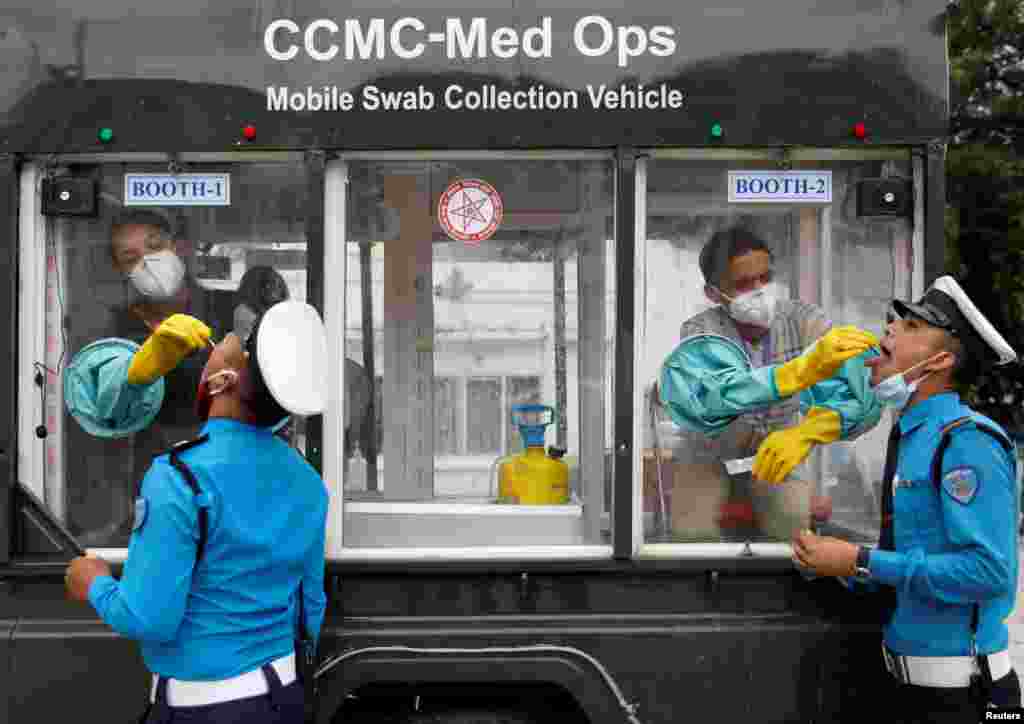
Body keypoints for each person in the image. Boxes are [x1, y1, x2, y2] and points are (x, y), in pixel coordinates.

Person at [64, 300, 330, 723]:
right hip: (285, 700)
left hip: (205, 710)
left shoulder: (179, 477)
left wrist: (93, 582)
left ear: (225, 381)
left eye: (233, 345)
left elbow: (148, 619)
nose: (215, 347)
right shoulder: (308, 482)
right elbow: (310, 608)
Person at [792, 275, 1020, 723]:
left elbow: (989, 572)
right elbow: (913, 556)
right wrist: (834, 561)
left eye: (912, 327)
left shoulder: (967, 442)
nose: (891, 329)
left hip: (962, 696)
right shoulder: (911, 434)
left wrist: (859, 560)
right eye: (895, 321)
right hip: (901, 687)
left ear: (940, 360)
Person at [658, 226, 881, 539]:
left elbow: (864, 394)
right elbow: (717, 396)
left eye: (765, 278)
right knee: (691, 536)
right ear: (713, 293)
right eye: (743, 284)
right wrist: (797, 372)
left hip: (779, 449)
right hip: (707, 453)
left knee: (793, 527)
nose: (759, 290)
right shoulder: (700, 330)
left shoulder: (805, 320)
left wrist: (807, 433)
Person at [63, 208, 216, 546]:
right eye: (130, 256)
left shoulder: (224, 310)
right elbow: (99, 410)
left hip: (223, 483)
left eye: (155, 245)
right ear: (121, 270)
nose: (147, 261)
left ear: (180, 247)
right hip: (148, 492)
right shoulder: (110, 332)